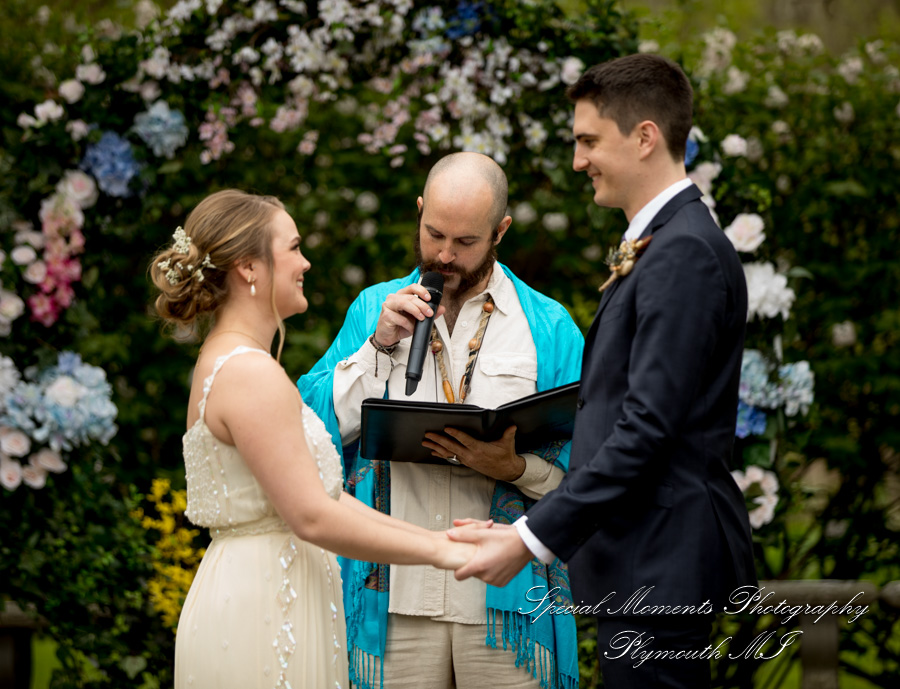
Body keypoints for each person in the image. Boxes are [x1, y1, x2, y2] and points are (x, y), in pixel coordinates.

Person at [449, 54, 758, 689]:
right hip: (645, 556)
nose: (577, 160)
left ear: (644, 136)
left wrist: (529, 538)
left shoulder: (684, 254)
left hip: (662, 562)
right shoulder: (664, 244)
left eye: (589, 140)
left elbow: (647, 429)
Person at [148, 189, 474, 689]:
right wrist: (442, 554)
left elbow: (328, 498)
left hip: (272, 593)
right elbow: (313, 515)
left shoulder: (234, 361)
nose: (306, 262)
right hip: (262, 610)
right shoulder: (248, 373)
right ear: (249, 268)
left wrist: (444, 541)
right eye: (293, 247)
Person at [297, 152, 584, 689]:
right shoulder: (372, 308)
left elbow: (588, 467)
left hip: (509, 603)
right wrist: (378, 347)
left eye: (466, 242)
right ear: (420, 211)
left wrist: (516, 467)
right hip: (394, 596)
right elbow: (307, 430)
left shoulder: (550, 326)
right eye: (434, 234)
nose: (445, 255)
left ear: (501, 231)